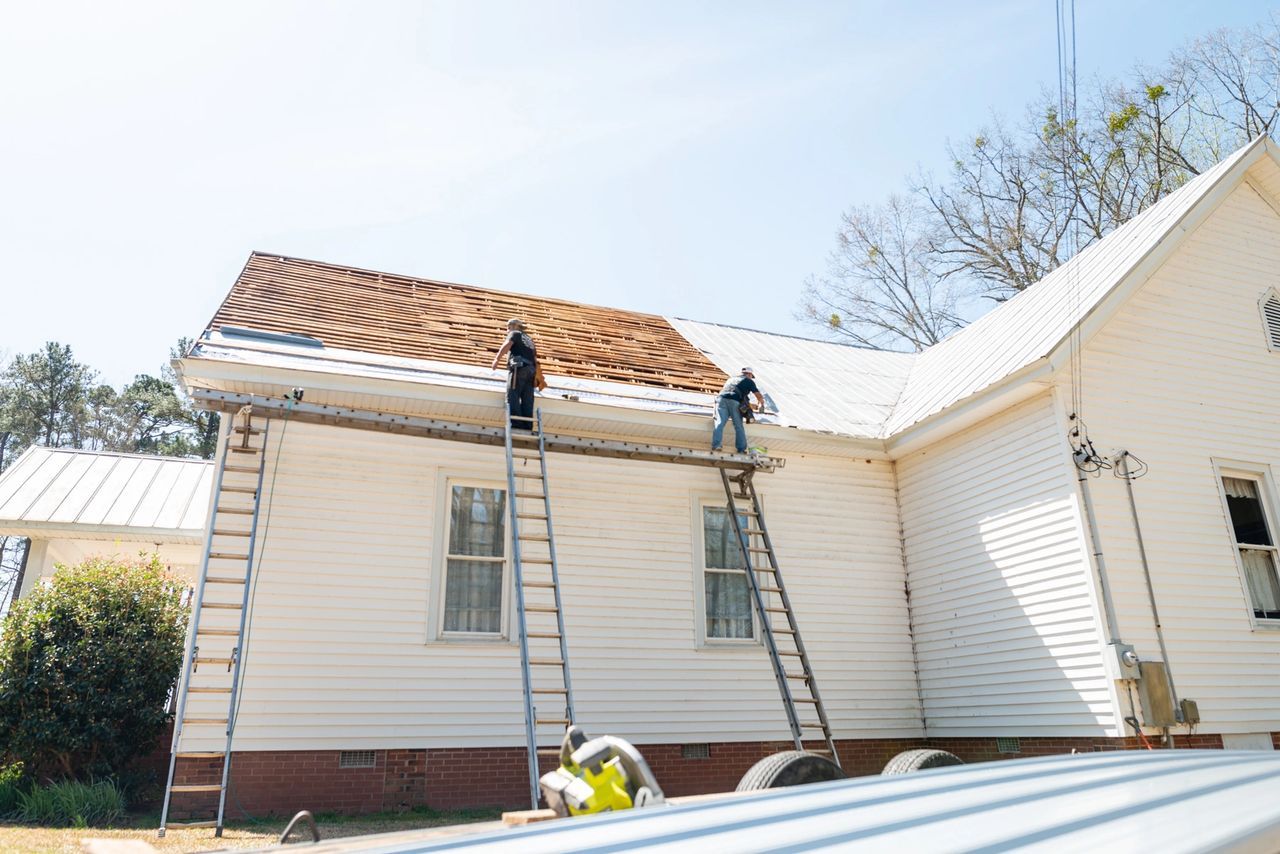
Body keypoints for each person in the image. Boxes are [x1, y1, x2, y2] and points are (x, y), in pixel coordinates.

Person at [491, 318, 538, 429]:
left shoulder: (515, 333)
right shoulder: (529, 339)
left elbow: (507, 344)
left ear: (516, 326)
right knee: (527, 398)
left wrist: (497, 359)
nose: (507, 329)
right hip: (531, 370)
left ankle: (516, 423)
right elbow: (535, 357)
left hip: (520, 367)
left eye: (509, 326)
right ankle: (527, 425)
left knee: (513, 394)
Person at [711, 367, 765, 453]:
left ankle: (716, 445)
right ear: (749, 374)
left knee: (719, 424)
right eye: (751, 376)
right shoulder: (749, 381)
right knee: (738, 426)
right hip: (734, 402)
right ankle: (741, 449)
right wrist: (761, 404)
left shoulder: (731, 379)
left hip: (720, 400)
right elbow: (758, 395)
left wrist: (751, 406)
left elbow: (729, 393)